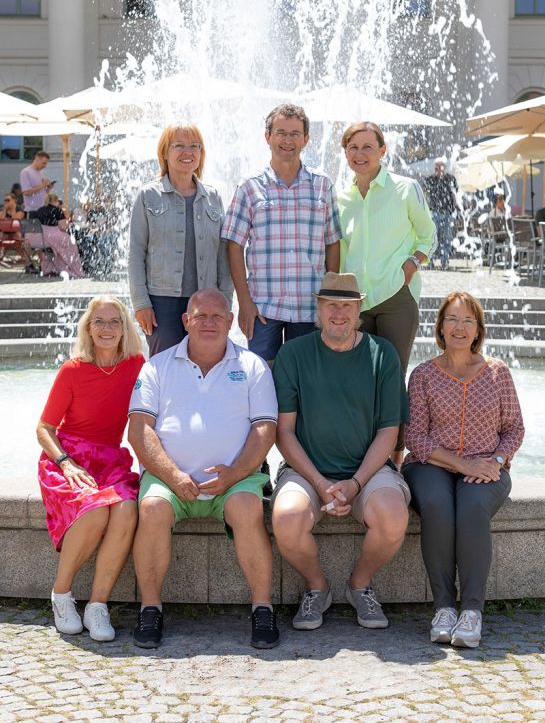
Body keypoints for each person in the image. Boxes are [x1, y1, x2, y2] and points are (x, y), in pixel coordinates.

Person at [128, 289, 279, 650]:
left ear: (230, 321)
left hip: (234, 479)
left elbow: (265, 429)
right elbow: (139, 429)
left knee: (247, 508)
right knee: (151, 508)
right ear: (185, 321)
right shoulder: (157, 366)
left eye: (216, 316)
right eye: (200, 316)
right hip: (170, 478)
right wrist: (172, 475)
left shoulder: (252, 366)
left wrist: (236, 472)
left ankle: (262, 607)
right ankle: (150, 608)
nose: (208, 323)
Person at [271, 272, 410, 632]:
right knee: (285, 519)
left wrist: (356, 483)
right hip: (306, 470)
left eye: (347, 306)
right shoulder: (293, 354)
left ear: (359, 309)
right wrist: (318, 483)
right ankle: (318, 588)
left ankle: (359, 586)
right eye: (331, 304)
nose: (339, 313)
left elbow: (388, 432)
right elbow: (283, 432)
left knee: (394, 518)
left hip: (369, 470)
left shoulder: (382, 355)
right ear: (318, 308)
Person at [403, 292, 524, 648]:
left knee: (471, 507)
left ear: (477, 330)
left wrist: (497, 462)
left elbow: (514, 429)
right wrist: (462, 464)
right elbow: (415, 438)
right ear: (440, 326)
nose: (459, 327)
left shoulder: (497, 372)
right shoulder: (423, 375)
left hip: (488, 466)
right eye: (452, 319)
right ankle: (444, 607)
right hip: (432, 465)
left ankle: (471, 611)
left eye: (467, 321)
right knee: (438, 506)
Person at [37, 296, 145, 641]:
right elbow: (44, 428)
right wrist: (64, 462)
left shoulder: (137, 365)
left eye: (115, 321)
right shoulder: (73, 369)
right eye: (99, 322)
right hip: (70, 457)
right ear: (88, 328)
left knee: (127, 509)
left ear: (125, 328)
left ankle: (98, 605)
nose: (107, 328)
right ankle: (62, 594)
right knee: (96, 511)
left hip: (111, 458)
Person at [337, 121, 435, 462]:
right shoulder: (341, 198)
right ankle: (362, 454)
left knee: (393, 380)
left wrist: (409, 267)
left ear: (382, 151)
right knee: (359, 380)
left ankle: (394, 458)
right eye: (353, 147)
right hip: (357, 304)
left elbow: (428, 236)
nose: (360, 154)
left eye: (367, 147)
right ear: (345, 152)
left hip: (396, 299)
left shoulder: (405, 189)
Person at [222, 103, 341, 362]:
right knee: (261, 381)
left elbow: (332, 243)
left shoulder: (322, 185)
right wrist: (244, 301)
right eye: (281, 132)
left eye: (295, 133)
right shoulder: (249, 187)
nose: (288, 140)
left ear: (306, 139)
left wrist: (330, 298)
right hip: (264, 308)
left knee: (305, 384)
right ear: (268, 137)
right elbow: (233, 245)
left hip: (309, 308)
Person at [129, 123, 232, 357]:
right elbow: (135, 252)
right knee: (165, 365)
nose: (188, 152)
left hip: (206, 301)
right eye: (179, 146)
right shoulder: (148, 196)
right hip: (161, 302)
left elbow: (222, 255)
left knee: (205, 363)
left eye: (195, 146)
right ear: (165, 152)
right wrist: (141, 304)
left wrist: (225, 302)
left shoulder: (213, 197)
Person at [27, 191, 84, 278]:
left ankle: (49, 269)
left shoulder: (39, 210)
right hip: (49, 237)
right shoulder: (57, 210)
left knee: (53, 247)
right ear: (56, 201)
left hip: (35, 239)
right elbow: (63, 227)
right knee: (70, 243)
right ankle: (69, 269)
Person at [423, 157, 458, 270]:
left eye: (440, 166)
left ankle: (445, 261)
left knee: (446, 238)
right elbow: (424, 192)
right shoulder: (430, 179)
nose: (438, 169)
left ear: (444, 167)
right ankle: (431, 261)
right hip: (434, 212)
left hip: (447, 212)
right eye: (436, 167)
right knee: (433, 238)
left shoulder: (450, 179)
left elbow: (456, 194)